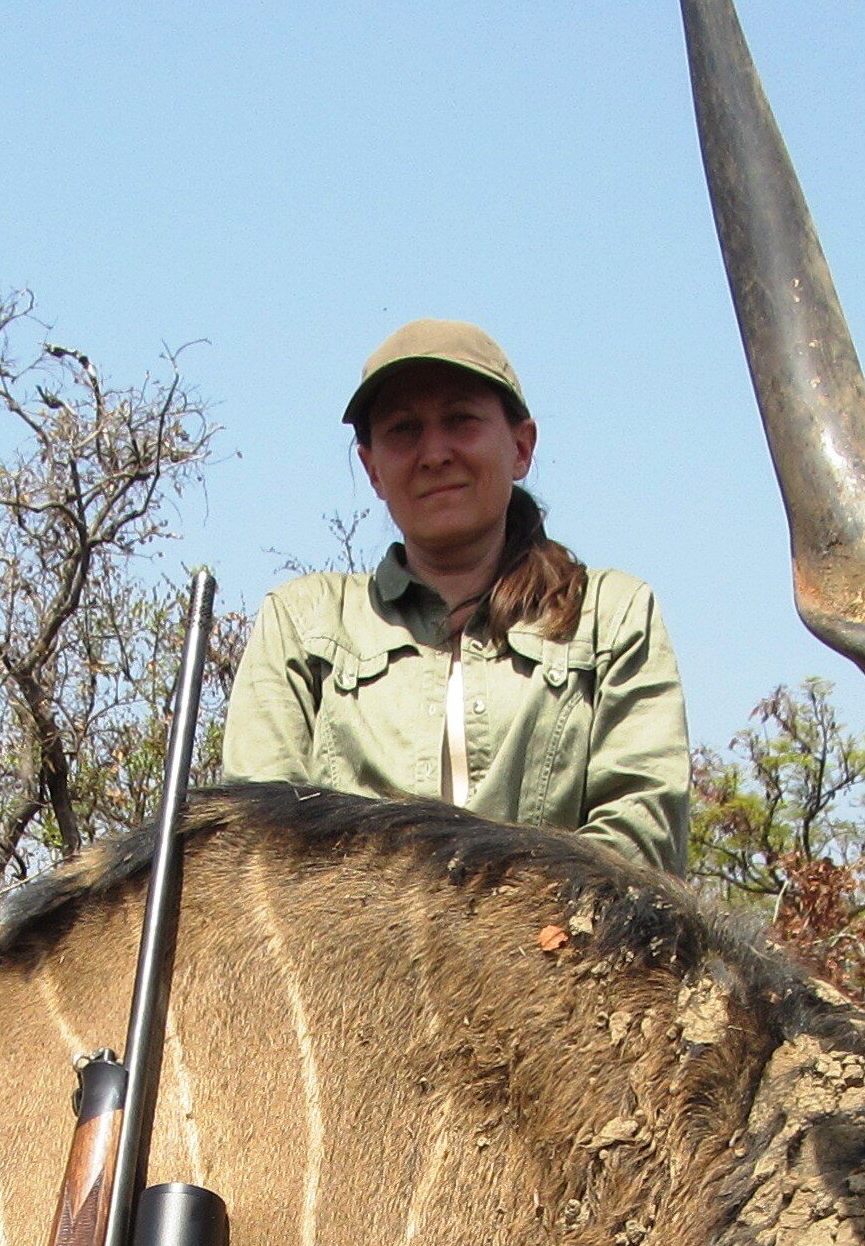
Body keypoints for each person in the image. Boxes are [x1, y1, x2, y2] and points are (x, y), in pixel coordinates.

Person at [220, 321, 689, 877]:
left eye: (460, 421)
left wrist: (483, 941)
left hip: (555, 956)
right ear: (373, 470)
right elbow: (259, 849)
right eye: (403, 430)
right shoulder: (302, 621)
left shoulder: (613, 614)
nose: (434, 453)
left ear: (521, 447)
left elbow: (640, 841)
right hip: (343, 960)